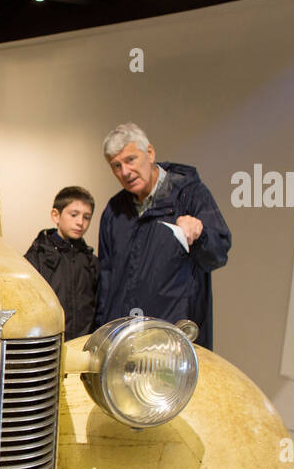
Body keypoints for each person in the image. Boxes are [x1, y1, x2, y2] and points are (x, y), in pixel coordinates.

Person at [95, 123, 231, 349]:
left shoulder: (189, 195)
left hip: (172, 343)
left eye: (130, 160)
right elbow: (106, 283)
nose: (125, 172)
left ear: (150, 153)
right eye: (116, 166)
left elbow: (218, 254)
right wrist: (101, 335)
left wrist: (201, 234)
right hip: (124, 342)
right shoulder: (114, 210)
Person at [25, 185, 99, 338]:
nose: (80, 222)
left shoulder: (91, 262)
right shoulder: (37, 256)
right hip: (46, 344)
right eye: (74, 215)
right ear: (56, 216)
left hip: (81, 346)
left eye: (86, 217)